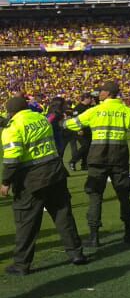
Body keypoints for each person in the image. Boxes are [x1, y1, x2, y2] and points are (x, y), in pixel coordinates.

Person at [1, 96, 89, 275]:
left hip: (32, 179)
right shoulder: (40, 119)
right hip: (55, 172)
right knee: (63, 216)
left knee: (26, 222)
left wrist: (5, 182)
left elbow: (12, 158)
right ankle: (76, 253)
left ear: (10, 112)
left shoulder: (13, 128)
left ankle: (21, 264)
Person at [63, 81, 130, 247]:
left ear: (108, 93)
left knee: (95, 195)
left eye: (100, 91)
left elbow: (72, 124)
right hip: (119, 158)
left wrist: (63, 121)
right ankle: (129, 233)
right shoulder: (127, 111)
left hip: (97, 158)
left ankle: (94, 237)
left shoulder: (95, 110)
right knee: (124, 195)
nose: (98, 94)